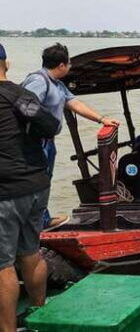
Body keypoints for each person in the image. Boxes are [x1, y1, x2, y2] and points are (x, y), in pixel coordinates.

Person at [22, 43, 119, 229]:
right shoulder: (39, 81)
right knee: (37, 180)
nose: (70, 67)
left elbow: (74, 103)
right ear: (61, 65)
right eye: (68, 64)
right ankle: (37, 222)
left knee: (45, 180)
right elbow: (25, 107)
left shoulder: (57, 85)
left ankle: (41, 219)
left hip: (48, 142)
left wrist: (101, 119)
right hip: (36, 142)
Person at [0, 44, 60, 332]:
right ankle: (39, 318)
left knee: (2, 266)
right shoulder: (21, 95)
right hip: (37, 186)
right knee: (30, 254)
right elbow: (51, 126)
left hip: (6, 192)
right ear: (7, 65)